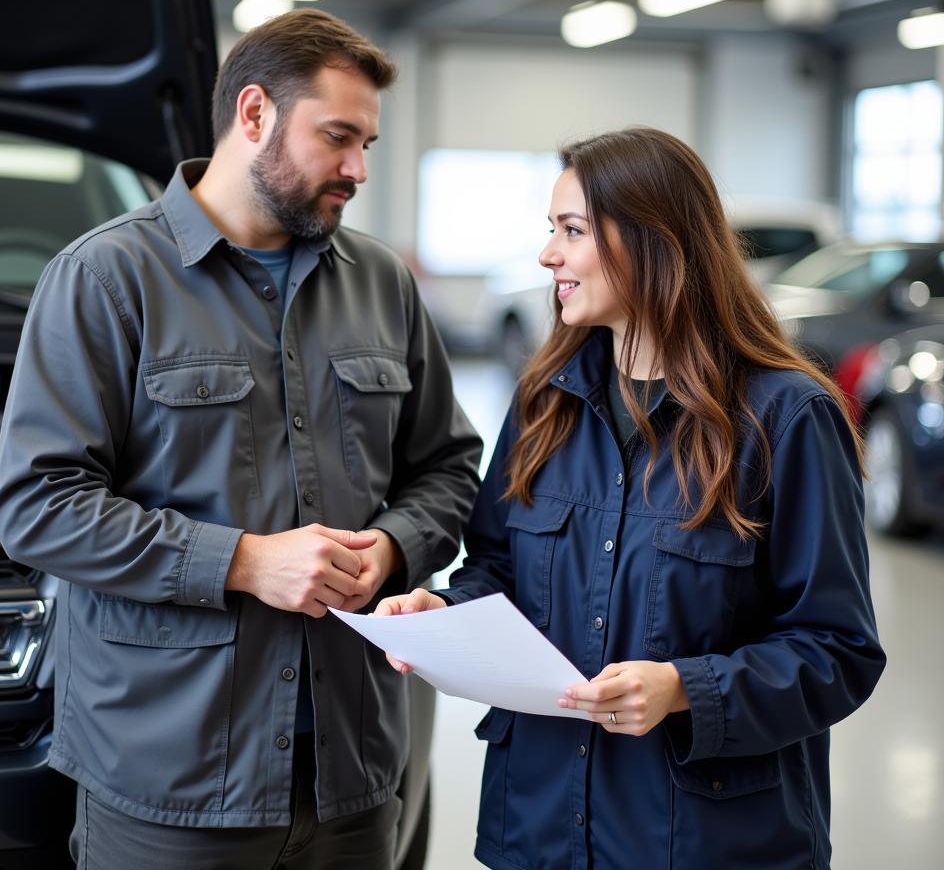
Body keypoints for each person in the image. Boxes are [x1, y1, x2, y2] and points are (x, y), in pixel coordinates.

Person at [0, 8, 482, 870]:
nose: (358, 169)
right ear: (253, 114)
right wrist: (246, 561)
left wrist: (396, 548)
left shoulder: (381, 286)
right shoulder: (106, 279)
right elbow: (39, 506)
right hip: (170, 782)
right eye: (338, 138)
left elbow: (445, 465)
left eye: (366, 142)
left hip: (351, 773)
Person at [375, 127, 886, 870]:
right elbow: (496, 570)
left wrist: (687, 688)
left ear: (656, 241)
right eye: (552, 230)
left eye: (572, 231)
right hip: (542, 830)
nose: (549, 254)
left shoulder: (785, 419)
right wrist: (446, 614)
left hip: (709, 844)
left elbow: (839, 651)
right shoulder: (544, 402)